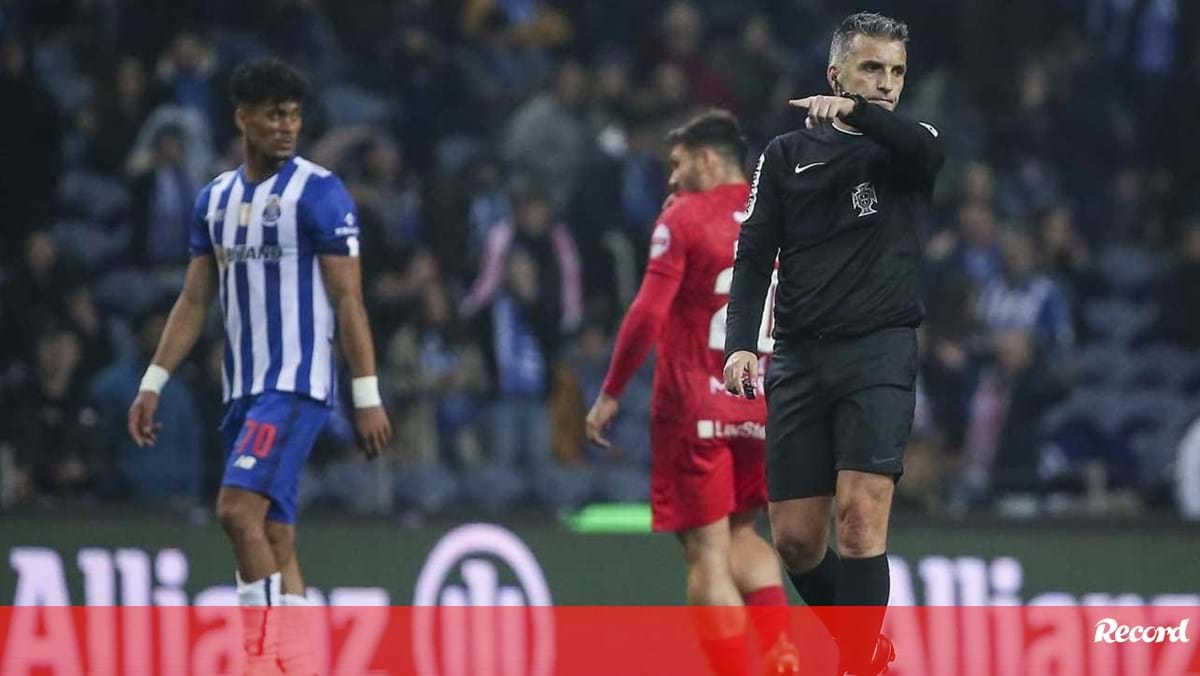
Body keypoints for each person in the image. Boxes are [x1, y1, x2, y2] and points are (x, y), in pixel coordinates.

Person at [126, 58, 393, 673]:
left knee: (234, 511)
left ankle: (258, 661)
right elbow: (195, 300)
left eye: (294, 115)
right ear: (242, 118)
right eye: (274, 114)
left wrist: (368, 392)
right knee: (273, 535)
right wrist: (153, 382)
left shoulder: (320, 192)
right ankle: (298, 667)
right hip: (242, 390)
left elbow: (349, 299)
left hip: (294, 384)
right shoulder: (214, 200)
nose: (287, 126)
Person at [723, 12, 944, 676]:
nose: (886, 83)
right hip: (797, 356)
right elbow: (755, 255)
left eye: (896, 71)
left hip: (878, 351)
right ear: (835, 72)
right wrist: (739, 345)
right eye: (871, 68)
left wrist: (856, 111)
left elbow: (921, 148)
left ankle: (851, 666)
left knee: (859, 515)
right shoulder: (786, 155)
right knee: (794, 540)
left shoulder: (909, 148)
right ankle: (866, 650)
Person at [587, 110, 798, 676]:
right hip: (762, 406)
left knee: (705, 553)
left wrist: (610, 393)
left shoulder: (682, 218)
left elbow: (647, 311)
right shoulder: (777, 217)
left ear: (708, 160)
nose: (673, 180)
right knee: (742, 533)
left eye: (678, 165)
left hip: (695, 408)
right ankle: (779, 646)